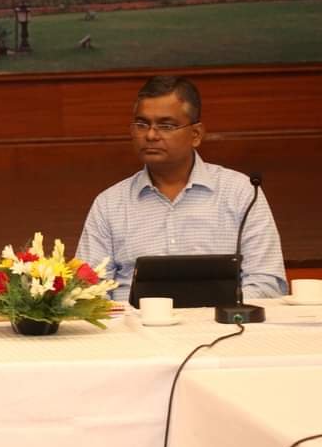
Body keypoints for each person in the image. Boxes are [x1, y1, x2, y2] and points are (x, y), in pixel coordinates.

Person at [77, 76, 287, 302]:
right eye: (142, 124)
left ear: (196, 135)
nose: (150, 135)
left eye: (166, 125)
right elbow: (87, 291)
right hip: (132, 322)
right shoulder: (109, 204)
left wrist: (216, 311)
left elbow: (268, 283)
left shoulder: (240, 192)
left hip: (220, 322)